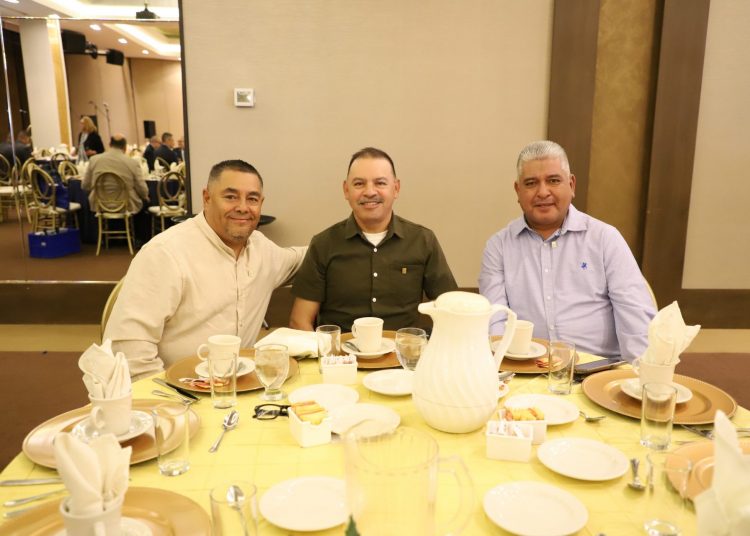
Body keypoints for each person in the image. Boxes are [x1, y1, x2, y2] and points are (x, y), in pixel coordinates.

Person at [105, 159, 306, 379]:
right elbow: (128, 351)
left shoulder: (262, 250)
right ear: (207, 198)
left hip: (238, 386)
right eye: (230, 197)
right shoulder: (165, 254)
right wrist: (170, 396)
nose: (242, 207)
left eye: (252, 199)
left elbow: (304, 257)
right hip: (175, 388)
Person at [478, 140, 655, 361]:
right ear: (518, 190)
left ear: (571, 185)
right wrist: (499, 368)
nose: (543, 192)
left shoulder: (604, 239)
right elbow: (495, 321)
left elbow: (636, 319)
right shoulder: (499, 247)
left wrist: (636, 375)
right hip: (529, 369)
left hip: (598, 367)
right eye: (531, 183)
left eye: (553, 181)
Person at [290, 147, 457, 332]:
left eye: (380, 183)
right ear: (346, 190)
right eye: (359, 184)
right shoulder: (323, 244)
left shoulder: (423, 241)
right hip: (339, 350)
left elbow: (452, 310)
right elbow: (300, 321)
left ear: (396, 188)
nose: (369, 192)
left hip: (403, 349)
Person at [82, 134, 149, 214]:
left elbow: (85, 186)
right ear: (125, 147)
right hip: (126, 207)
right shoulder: (132, 163)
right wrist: (145, 196)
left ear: (110, 145)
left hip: (99, 206)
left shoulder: (94, 160)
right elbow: (143, 190)